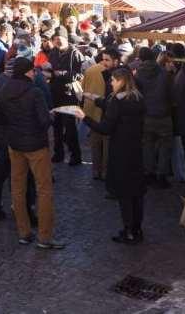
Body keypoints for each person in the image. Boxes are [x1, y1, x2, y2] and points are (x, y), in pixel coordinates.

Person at [0, 57, 63, 249]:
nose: (34, 73)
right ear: (26, 72)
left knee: (17, 188)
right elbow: (44, 121)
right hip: (36, 146)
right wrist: (50, 116)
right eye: (32, 70)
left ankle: (24, 232)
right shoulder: (34, 92)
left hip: (15, 145)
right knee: (44, 189)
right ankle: (45, 237)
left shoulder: (4, 90)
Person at [75, 68, 147, 244]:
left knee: (124, 193)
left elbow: (105, 128)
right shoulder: (138, 97)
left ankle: (128, 231)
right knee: (136, 192)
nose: (111, 83)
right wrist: (93, 97)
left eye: (113, 80)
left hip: (121, 151)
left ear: (121, 81)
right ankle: (137, 229)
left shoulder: (117, 101)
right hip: (136, 150)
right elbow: (110, 106)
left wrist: (84, 117)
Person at [134, 47, 172, 188]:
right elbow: (171, 93)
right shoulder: (164, 73)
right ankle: (161, 176)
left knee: (147, 145)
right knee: (165, 147)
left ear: (140, 58)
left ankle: (148, 173)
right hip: (163, 115)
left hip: (146, 115)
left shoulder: (137, 74)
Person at [48, 28, 84, 165]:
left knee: (70, 127)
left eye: (60, 39)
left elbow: (80, 74)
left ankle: (75, 155)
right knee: (56, 125)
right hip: (55, 92)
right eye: (55, 39)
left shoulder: (75, 54)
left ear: (66, 39)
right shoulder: (53, 52)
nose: (57, 42)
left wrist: (61, 74)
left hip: (69, 94)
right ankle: (59, 153)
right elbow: (51, 69)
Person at [81, 48, 118, 180]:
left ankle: (96, 170)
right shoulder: (115, 75)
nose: (104, 62)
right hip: (105, 113)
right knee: (106, 146)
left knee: (95, 144)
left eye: (107, 59)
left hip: (93, 112)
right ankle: (104, 172)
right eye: (104, 59)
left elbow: (83, 88)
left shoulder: (91, 70)